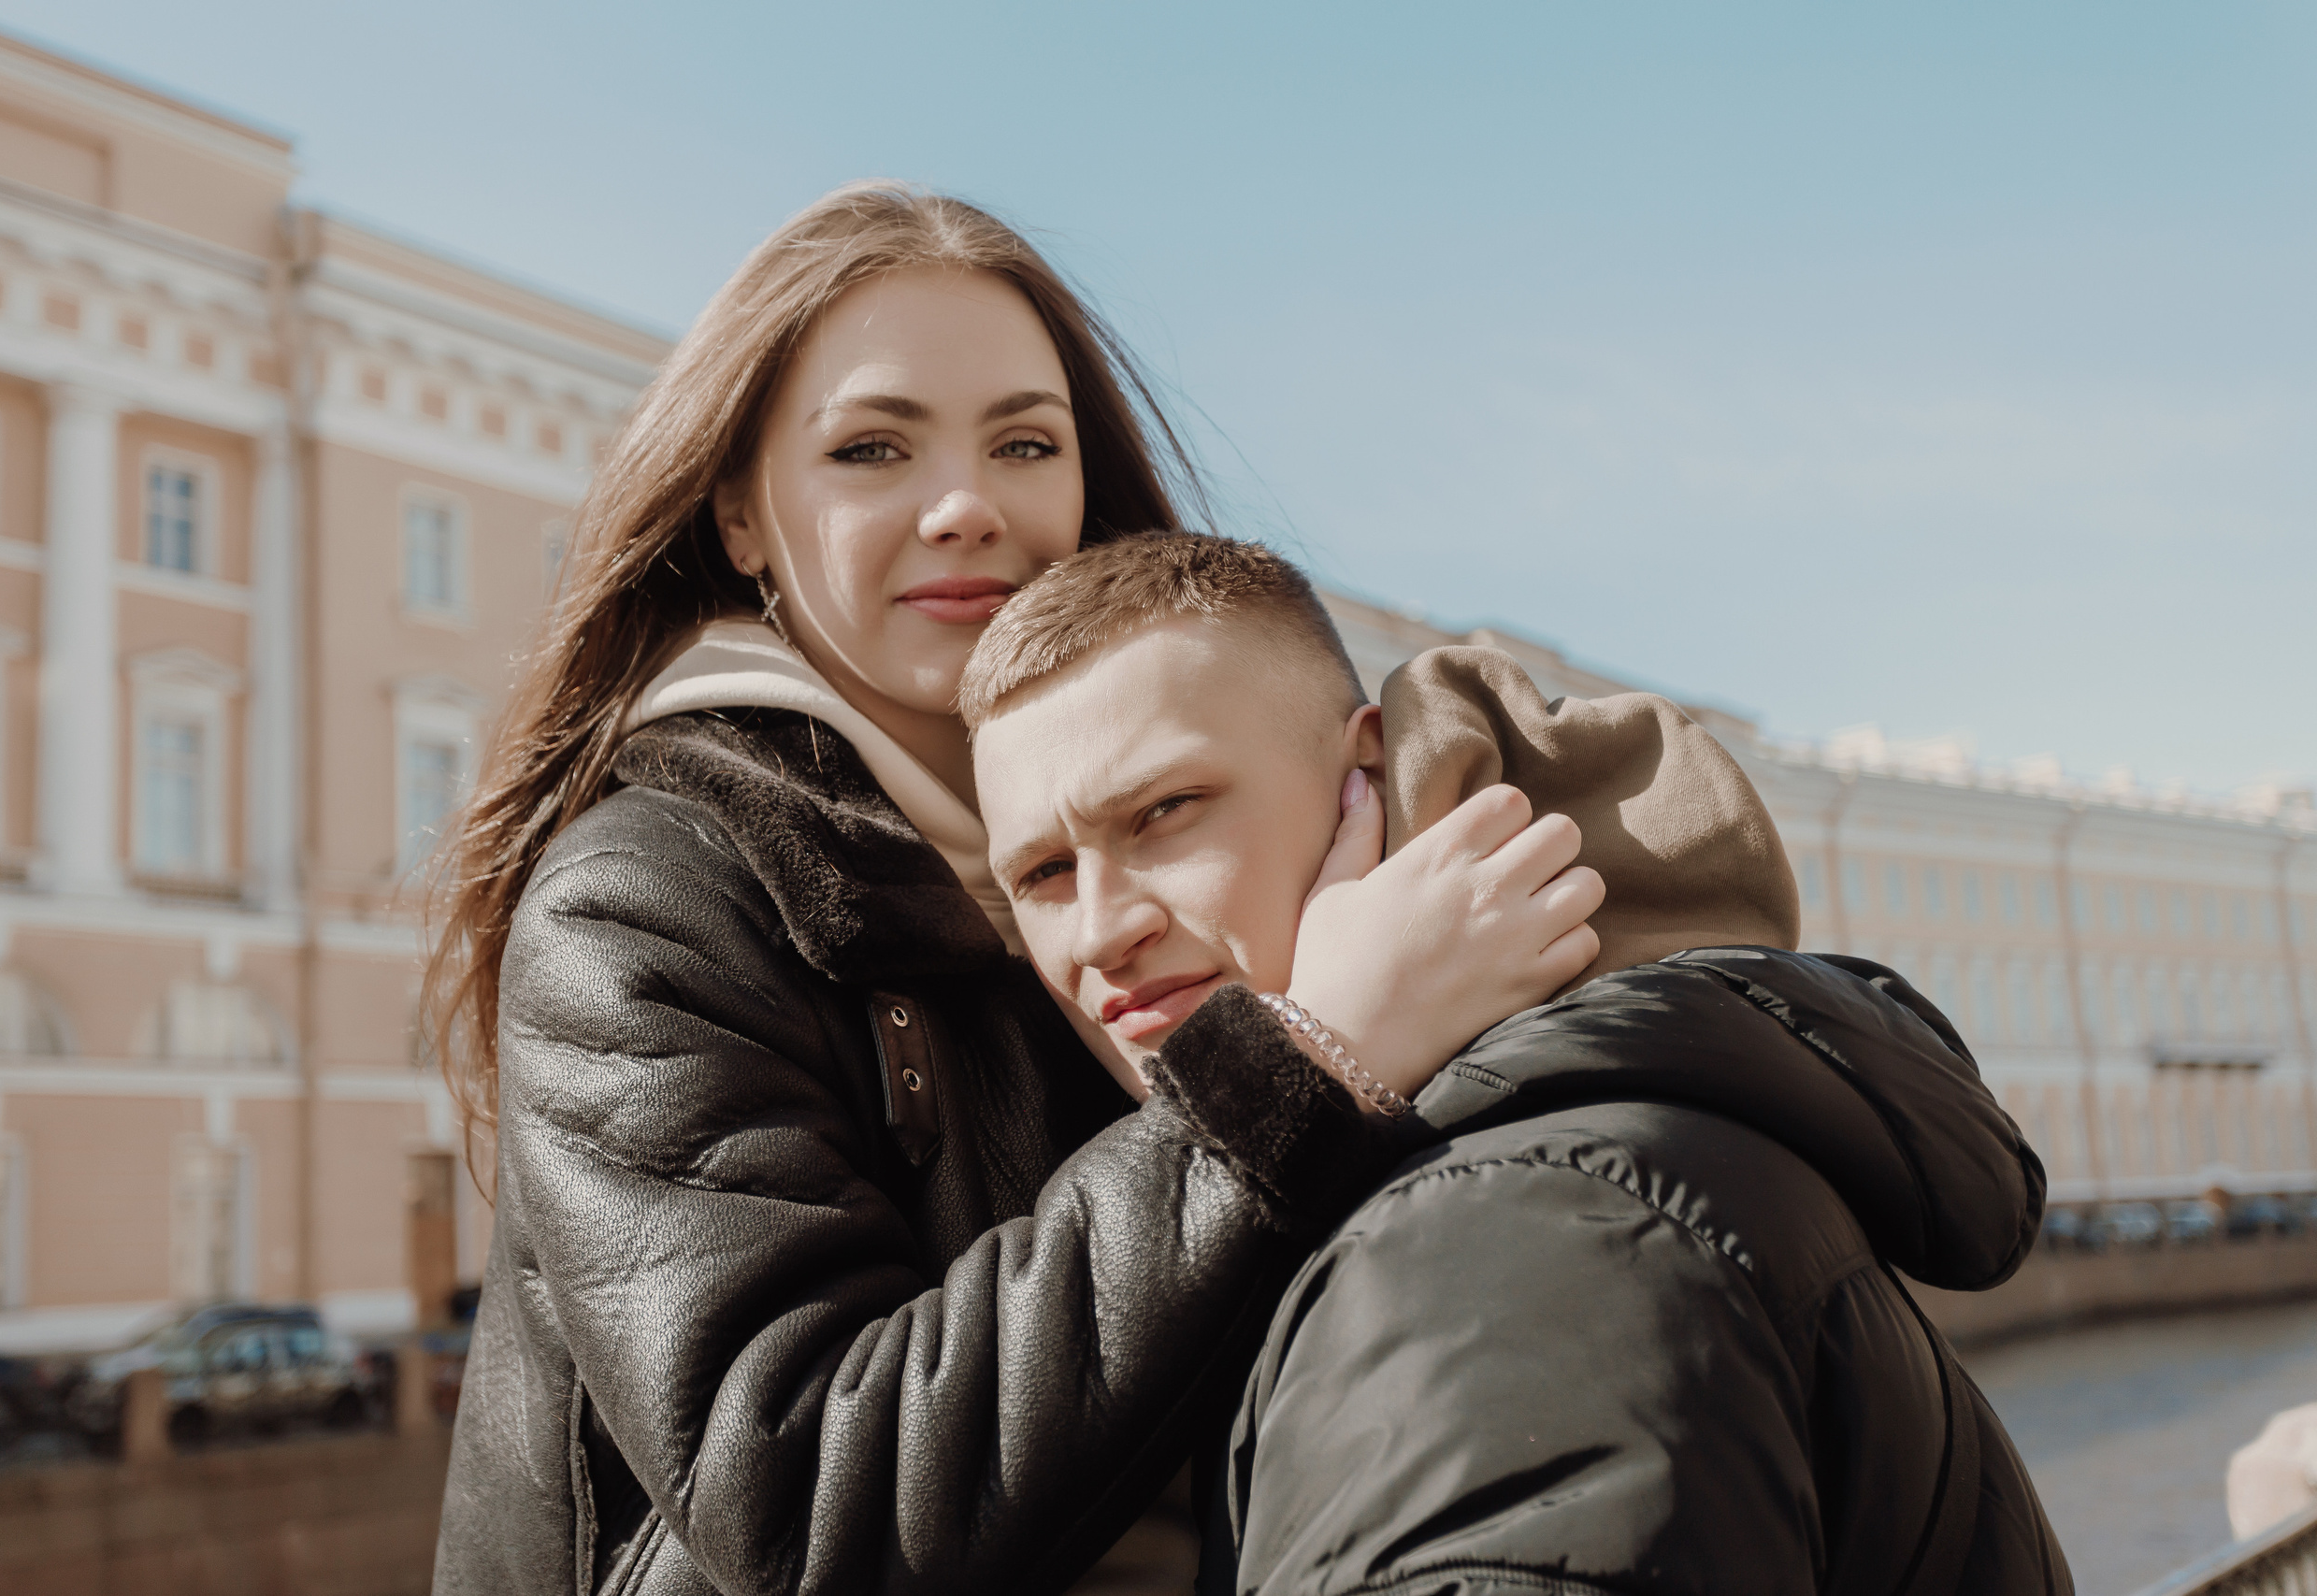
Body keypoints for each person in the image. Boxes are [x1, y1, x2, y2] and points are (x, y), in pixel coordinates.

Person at [425, 184, 1610, 1596]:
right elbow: (808, 1509)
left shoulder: (1209, 843)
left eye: (1024, 442)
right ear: (741, 516)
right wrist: (1303, 1058)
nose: (966, 504)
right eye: (872, 447)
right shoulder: (639, 906)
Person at [961, 532, 2073, 1594]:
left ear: (1368, 775)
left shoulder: (1500, 1239)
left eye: (1165, 812)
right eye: (1046, 875)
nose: (1101, 931)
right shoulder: (1543, 1160)